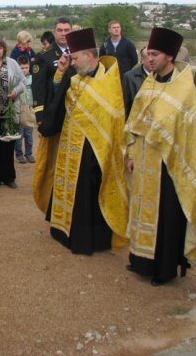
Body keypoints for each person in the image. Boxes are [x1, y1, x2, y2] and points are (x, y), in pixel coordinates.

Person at [124, 27, 196, 286]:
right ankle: (140, 260)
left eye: (155, 54)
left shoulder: (184, 89)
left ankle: (163, 270)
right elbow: (134, 122)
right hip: (143, 160)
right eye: (147, 54)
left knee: (165, 215)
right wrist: (131, 153)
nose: (149, 59)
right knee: (142, 210)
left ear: (169, 57)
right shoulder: (149, 83)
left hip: (169, 165)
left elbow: (187, 133)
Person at [39, 28, 129, 255]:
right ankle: (63, 230)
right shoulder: (75, 78)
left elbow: (114, 118)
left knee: (87, 193)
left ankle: (87, 239)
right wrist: (60, 73)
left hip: (93, 151)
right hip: (69, 144)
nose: (74, 63)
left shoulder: (109, 81)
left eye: (76, 58)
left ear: (90, 56)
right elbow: (57, 101)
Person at [31, 18, 71, 214]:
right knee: (53, 161)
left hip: (73, 115)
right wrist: (40, 117)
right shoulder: (44, 57)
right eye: (60, 30)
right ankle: (52, 202)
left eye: (67, 30)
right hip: (53, 114)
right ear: (54, 32)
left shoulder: (79, 53)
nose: (63, 33)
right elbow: (38, 90)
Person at [0, 36, 25, 189]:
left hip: (9, 109)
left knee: (8, 144)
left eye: (0, 47)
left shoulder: (12, 63)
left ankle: (9, 177)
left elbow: (24, 81)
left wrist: (16, 91)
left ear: (4, 49)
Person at [14, 55, 36, 164]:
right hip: (19, 109)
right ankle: (19, 154)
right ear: (18, 68)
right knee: (19, 134)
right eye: (22, 68)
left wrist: (34, 105)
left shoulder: (32, 79)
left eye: (26, 67)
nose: (24, 70)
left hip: (29, 109)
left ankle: (29, 154)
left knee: (29, 134)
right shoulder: (15, 79)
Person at [122, 47, 153, 117]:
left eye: (154, 56)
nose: (151, 60)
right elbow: (125, 104)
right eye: (148, 56)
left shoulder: (162, 76)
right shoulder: (129, 77)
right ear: (142, 59)